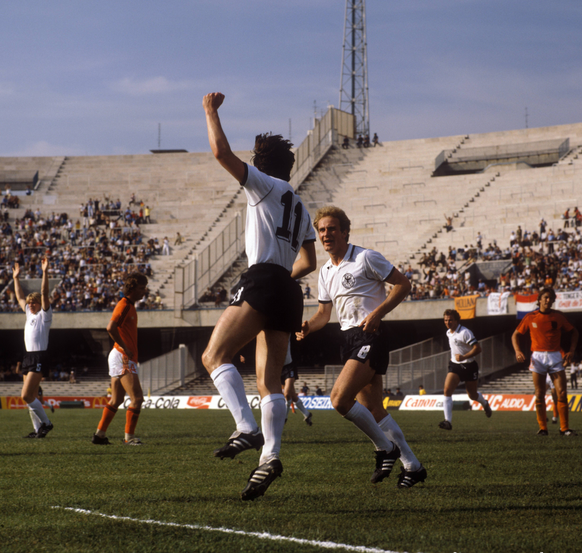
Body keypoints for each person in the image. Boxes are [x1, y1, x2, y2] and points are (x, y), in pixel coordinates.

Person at [201, 92, 317, 501]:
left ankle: (246, 428)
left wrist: (210, 112)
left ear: (261, 164)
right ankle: (270, 455)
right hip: (288, 288)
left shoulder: (264, 186)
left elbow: (219, 151)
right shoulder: (300, 204)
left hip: (264, 279)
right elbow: (310, 260)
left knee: (214, 357)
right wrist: (283, 275)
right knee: (270, 383)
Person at [297, 206, 426, 489]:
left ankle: (385, 449)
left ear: (345, 231)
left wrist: (378, 313)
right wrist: (308, 326)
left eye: (332, 229)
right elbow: (323, 315)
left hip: (372, 335)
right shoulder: (326, 271)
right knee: (374, 410)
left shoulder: (366, 257)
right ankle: (413, 466)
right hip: (349, 339)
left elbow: (403, 285)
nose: (326, 234)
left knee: (339, 400)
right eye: (321, 230)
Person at [92, 272, 149, 446]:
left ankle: (99, 435)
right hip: (122, 356)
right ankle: (129, 438)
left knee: (116, 400)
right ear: (131, 287)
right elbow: (111, 327)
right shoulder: (124, 305)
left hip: (119, 355)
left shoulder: (129, 306)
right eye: (141, 288)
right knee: (137, 398)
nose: (144, 292)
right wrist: (124, 347)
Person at [512, 288, 578, 436]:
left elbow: (574, 332)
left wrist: (571, 350)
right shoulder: (530, 317)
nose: (548, 300)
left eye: (551, 298)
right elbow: (515, 335)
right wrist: (518, 351)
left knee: (561, 392)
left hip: (555, 357)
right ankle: (543, 428)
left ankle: (564, 428)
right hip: (538, 357)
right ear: (540, 300)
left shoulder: (558, 317)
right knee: (539, 393)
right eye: (546, 298)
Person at [13, 256, 55, 439]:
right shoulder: (29, 314)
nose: (30, 304)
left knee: (26, 396)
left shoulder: (44, 315)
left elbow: (45, 293)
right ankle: (39, 430)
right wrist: (15, 278)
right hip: (28, 356)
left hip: (39, 356)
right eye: (30, 303)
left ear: (40, 303)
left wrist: (45, 272)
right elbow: (20, 297)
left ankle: (47, 423)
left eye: (34, 302)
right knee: (32, 396)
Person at [439, 309, 492, 430]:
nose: (448, 322)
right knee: (447, 390)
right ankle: (448, 421)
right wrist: (457, 358)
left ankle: (485, 403)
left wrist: (463, 357)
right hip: (455, 365)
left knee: (472, 395)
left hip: (469, 366)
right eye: (446, 320)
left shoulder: (465, 332)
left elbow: (478, 349)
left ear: (457, 320)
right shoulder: (448, 332)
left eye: (450, 320)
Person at [281, 342, 313, 426]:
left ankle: (284, 417)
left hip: (289, 366)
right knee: (293, 396)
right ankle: (307, 414)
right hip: (279, 366)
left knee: (287, 394)